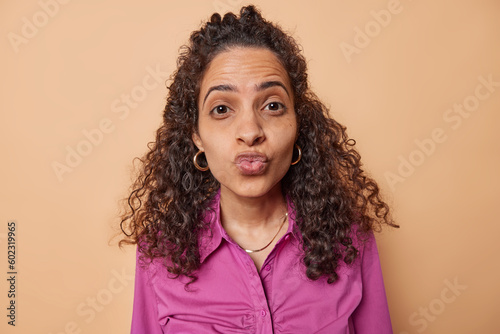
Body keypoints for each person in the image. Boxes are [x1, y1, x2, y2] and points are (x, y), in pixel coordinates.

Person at [119, 5, 398, 333]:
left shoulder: (350, 240)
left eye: (272, 105)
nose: (250, 131)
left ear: (298, 124)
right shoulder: (161, 253)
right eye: (222, 109)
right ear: (196, 136)